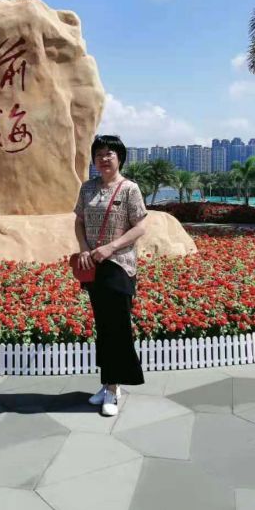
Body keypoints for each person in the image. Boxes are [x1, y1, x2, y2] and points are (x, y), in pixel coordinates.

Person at [74, 135, 147, 416]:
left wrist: (111, 247)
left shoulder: (129, 189)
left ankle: (114, 388)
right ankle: (107, 383)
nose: (104, 159)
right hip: (94, 267)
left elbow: (140, 227)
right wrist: (84, 248)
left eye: (110, 154)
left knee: (118, 328)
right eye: (99, 154)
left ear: (120, 158)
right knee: (104, 327)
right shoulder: (87, 188)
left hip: (119, 266)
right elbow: (79, 221)